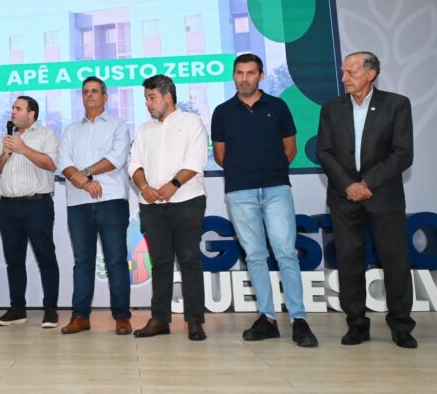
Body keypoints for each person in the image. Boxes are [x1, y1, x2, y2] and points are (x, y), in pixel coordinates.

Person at [211, 54, 318, 347]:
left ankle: (298, 319)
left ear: (261, 75)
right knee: (255, 255)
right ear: (234, 76)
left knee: (286, 253)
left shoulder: (278, 106)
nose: (244, 78)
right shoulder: (222, 112)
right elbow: (220, 156)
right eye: (239, 73)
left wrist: (269, 171)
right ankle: (267, 318)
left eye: (250, 73)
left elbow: (290, 149)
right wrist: (245, 173)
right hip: (240, 192)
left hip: (276, 189)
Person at [317, 51, 417, 349]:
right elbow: (324, 152)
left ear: (371, 74)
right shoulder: (331, 108)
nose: (344, 78)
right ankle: (357, 324)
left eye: (351, 72)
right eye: (343, 72)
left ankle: (401, 326)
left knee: (395, 261)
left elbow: (402, 154)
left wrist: (366, 183)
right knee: (349, 262)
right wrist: (349, 185)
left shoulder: (397, 105)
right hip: (344, 197)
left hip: (383, 196)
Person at [128, 75, 208, 341]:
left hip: (187, 201)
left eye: (152, 98)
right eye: (146, 99)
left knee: (189, 259)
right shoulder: (144, 130)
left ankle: (194, 320)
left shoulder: (191, 122)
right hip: (152, 206)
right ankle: (160, 319)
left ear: (168, 97)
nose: (147, 104)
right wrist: (144, 187)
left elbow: (196, 160)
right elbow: (134, 164)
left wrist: (173, 185)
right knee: (160, 262)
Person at [58, 76, 132, 336]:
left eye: (94, 91)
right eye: (85, 92)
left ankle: (122, 316)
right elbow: (63, 160)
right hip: (78, 202)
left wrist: (85, 174)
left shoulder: (118, 125)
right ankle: (80, 316)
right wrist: (82, 181)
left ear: (105, 96)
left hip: (111, 200)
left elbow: (116, 158)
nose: (89, 95)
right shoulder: (71, 129)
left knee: (116, 261)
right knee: (82, 262)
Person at [0, 96, 60, 328]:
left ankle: (50, 310)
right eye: (12, 108)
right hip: (8, 206)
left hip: (37, 205)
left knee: (45, 257)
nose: (13, 112)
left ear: (31, 114)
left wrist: (23, 149)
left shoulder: (46, 135)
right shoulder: (6, 138)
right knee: (14, 260)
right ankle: (17, 309)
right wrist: (6, 153)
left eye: (18, 108)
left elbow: (51, 164)